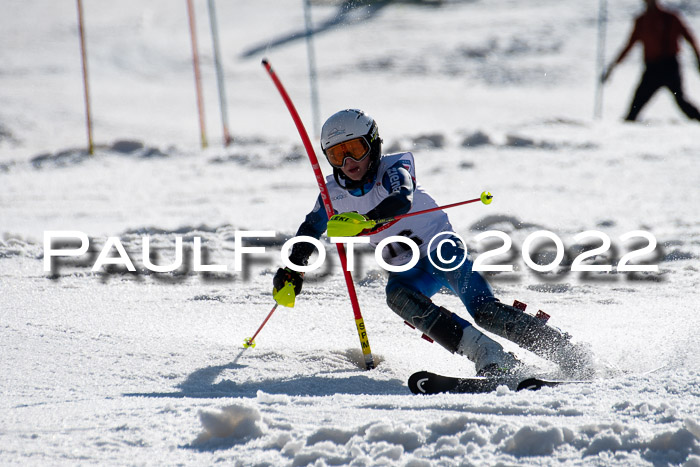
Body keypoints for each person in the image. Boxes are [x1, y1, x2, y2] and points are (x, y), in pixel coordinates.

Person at [273, 109, 591, 379]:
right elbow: (309, 230)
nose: (349, 161)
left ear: (373, 144)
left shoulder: (394, 169)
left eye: (355, 149)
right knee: (397, 297)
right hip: (409, 270)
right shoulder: (333, 196)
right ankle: (490, 357)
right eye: (337, 154)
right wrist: (291, 270)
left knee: (485, 311)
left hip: (441, 251)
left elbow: (401, 199)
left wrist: (371, 220)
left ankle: (566, 352)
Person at [603, 0, 700, 122]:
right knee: (637, 103)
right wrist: (613, 66)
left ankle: (698, 120)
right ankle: (629, 122)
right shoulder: (642, 21)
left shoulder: (671, 17)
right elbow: (629, 46)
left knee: (680, 100)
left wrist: (698, 58)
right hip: (652, 68)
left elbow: (690, 38)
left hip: (670, 66)